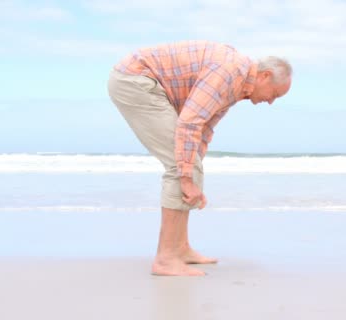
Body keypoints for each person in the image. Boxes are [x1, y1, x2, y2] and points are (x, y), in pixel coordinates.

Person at [107, 40, 292, 276]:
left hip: (147, 83)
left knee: (189, 164)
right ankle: (165, 259)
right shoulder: (228, 72)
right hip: (135, 81)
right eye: (274, 94)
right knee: (180, 165)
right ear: (265, 76)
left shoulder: (238, 84)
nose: (271, 102)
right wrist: (186, 177)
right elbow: (190, 122)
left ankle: (180, 249)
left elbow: (205, 128)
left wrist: (194, 172)